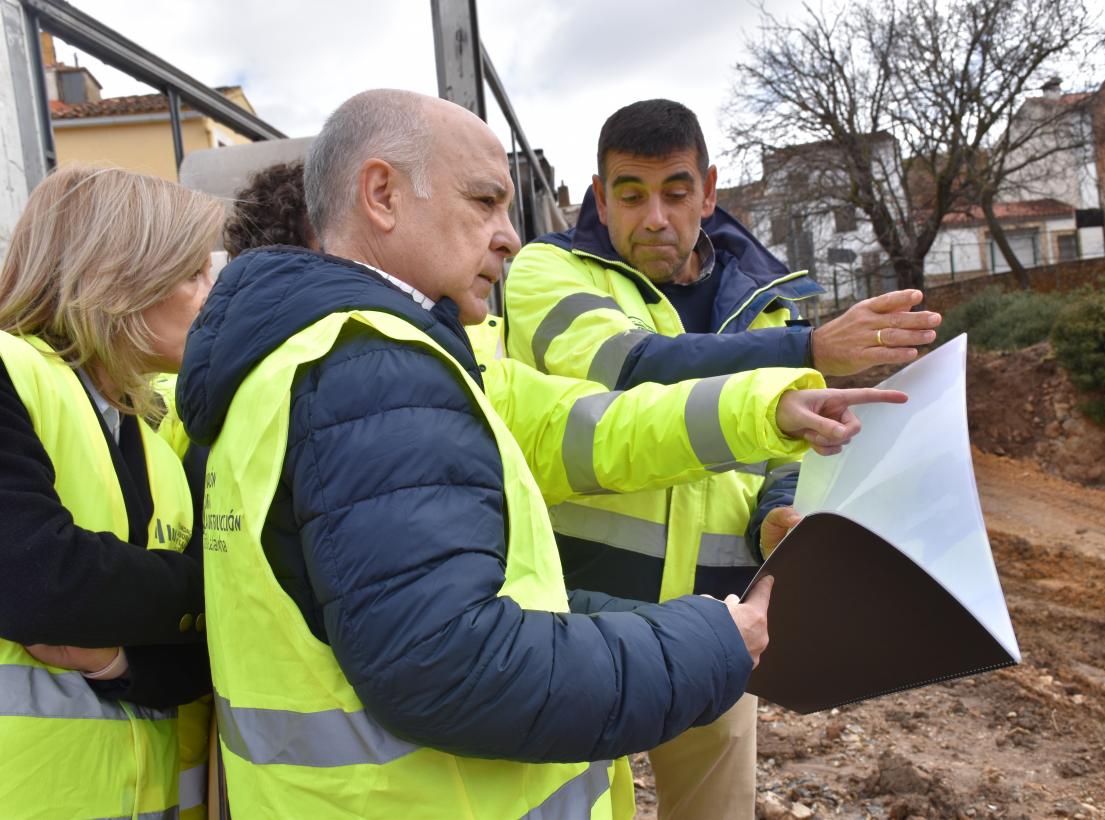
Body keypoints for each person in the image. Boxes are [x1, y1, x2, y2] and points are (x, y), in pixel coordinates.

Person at [175, 89, 905, 819]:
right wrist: (703, 641)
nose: (510, 237)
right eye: (485, 201)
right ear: (382, 194)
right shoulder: (374, 367)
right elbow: (452, 664)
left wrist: (767, 418)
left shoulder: (310, 361)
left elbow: (579, 433)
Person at [502, 98, 942, 819]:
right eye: (631, 194)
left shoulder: (765, 305)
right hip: (575, 619)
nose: (655, 218)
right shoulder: (548, 271)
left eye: (676, 194)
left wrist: (778, 513)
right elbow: (629, 368)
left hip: (720, 620)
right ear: (598, 196)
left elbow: (783, 455)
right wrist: (804, 351)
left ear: (708, 190)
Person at [0, 165, 222, 819]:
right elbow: (37, 578)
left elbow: (198, 668)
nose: (212, 296)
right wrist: (216, 593)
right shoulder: (9, 368)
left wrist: (115, 655)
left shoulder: (152, 439)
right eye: (192, 275)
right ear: (118, 276)